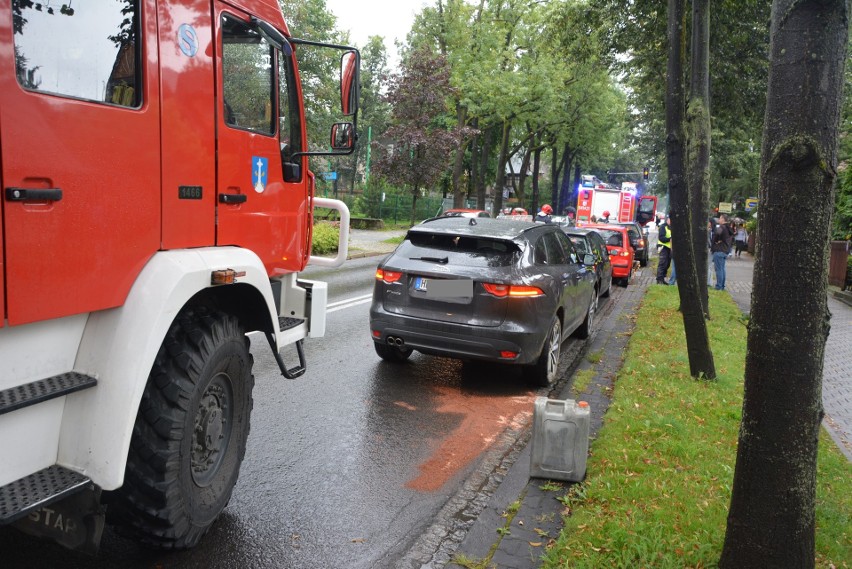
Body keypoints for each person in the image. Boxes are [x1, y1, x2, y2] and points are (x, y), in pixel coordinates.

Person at [711, 214, 734, 290]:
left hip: (719, 250)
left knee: (719, 269)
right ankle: (722, 286)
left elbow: (715, 235)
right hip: (725, 250)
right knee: (722, 269)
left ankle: (719, 286)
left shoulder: (722, 227)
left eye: (720, 218)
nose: (719, 220)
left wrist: (715, 242)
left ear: (723, 219)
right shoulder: (729, 228)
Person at [656, 214, 672, 284]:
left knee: (667, 264)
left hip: (669, 248)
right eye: (670, 220)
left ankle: (662, 278)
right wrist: (669, 239)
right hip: (662, 247)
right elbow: (661, 238)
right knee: (662, 263)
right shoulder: (663, 227)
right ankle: (659, 279)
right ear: (668, 220)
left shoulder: (671, 227)